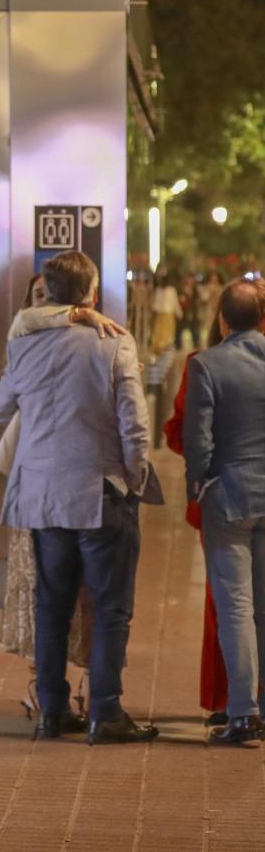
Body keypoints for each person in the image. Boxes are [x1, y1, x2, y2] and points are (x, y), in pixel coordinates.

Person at [0, 251, 158, 744]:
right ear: (92, 294)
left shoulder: (24, 346)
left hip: (43, 495)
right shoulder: (114, 344)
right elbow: (135, 425)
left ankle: (52, 711)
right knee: (111, 607)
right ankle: (105, 712)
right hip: (101, 490)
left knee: (52, 606)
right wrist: (135, 478)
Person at [182, 279, 265, 747]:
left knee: (236, 607)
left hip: (230, 498)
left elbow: (198, 437)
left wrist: (199, 483)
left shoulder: (207, 364)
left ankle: (243, 713)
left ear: (222, 319)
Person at [164, 311, 230, 726]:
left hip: (219, 500)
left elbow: (180, 432)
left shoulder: (202, 363)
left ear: (222, 320)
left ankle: (227, 699)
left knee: (223, 600)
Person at [151, 275, 180, 354]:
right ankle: (164, 348)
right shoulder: (171, 290)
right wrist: (179, 313)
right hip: (168, 314)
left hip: (162, 314)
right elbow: (175, 302)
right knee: (167, 332)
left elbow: (156, 303)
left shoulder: (160, 290)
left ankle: (160, 348)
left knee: (160, 331)